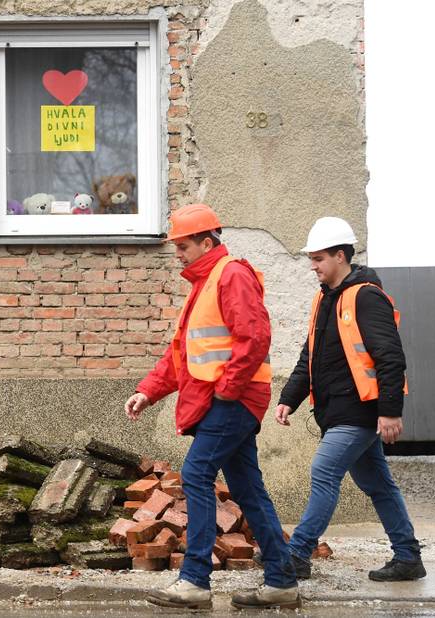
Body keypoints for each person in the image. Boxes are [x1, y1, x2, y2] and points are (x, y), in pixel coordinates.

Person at [125, 204, 299, 610]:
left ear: (207, 243)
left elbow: (254, 337)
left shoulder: (230, 274)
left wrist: (227, 390)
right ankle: (281, 581)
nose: (177, 254)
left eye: (183, 246)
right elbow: (182, 355)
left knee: (196, 473)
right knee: (248, 490)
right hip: (224, 400)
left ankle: (195, 581)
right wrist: (148, 391)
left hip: (232, 400)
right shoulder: (204, 284)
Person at [272, 216, 425, 582]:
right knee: (379, 485)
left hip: (359, 411)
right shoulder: (324, 299)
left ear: (340, 256)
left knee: (324, 471)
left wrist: (390, 411)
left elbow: (390, 357)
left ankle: (297, 554)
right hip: (338, 410)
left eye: (318, 259)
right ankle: (408, 557)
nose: (312, 266)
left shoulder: (366, 296)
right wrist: (289, 398)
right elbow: (310, 355)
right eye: (311, 259)